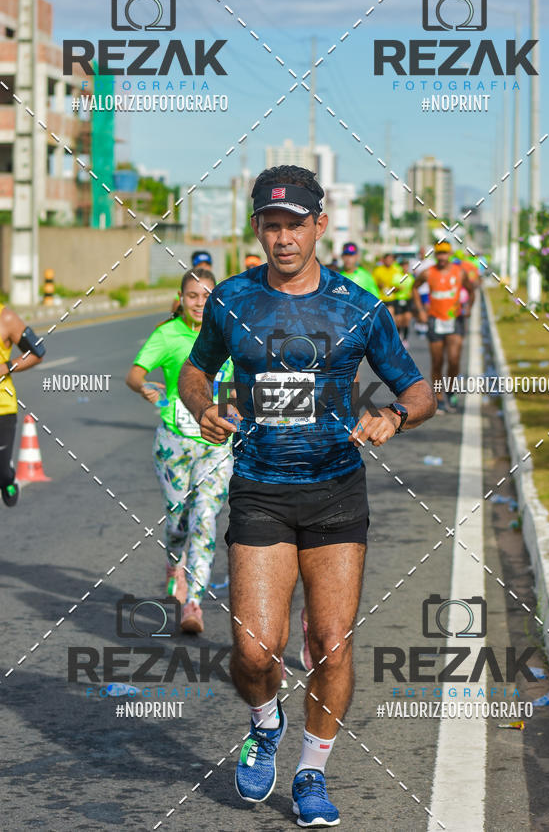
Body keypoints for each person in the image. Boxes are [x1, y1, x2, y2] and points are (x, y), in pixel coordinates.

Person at [178, 165, 436, 826]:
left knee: (330, 643)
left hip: (336, 493)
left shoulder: (358, 306)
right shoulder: (233, 300)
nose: (284, 236)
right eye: (272, 224)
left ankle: (312, 772)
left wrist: (392, 416)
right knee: (254, 651)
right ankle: (265, 722)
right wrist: (203, 405)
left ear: (319, 225)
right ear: (258, 227)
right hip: (260, 489)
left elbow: (417, 388)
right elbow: (193, 370)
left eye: (296, 223)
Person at [126, 269, 234, 634]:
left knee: (205, 522)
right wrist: (147, 391)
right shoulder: (167, 334)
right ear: (181, 298)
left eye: (207, 296)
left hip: (217, 446)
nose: (200, 303)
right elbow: (135, 375)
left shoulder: (230, 336)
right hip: (174, 442)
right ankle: (175, 564)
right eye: (193, 296)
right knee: (178, 522)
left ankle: (193, 605)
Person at [412, 241, 476, 413]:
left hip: (455, 319)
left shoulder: (459, 272)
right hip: (435, 319)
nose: (442, 257)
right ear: (436, 255)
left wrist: (468, 307)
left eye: (445, 253)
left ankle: (450, 390)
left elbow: (471, 290)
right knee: (437, 361)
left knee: (454, 360)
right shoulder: (428, 273)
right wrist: (420, 311)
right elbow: (415, 288)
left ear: (450, 254)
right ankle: (439, 397)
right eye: (439, 253)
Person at [0, 306, 46, 507]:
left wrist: (7, 366)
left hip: (2, 406)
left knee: (0, 470)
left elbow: (37, 352)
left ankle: (7, 478)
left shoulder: (6, 318)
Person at [372, 253, 406, 337]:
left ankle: (393, 336)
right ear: (383, 260)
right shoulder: (378, 270)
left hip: (392, 298)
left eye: (391, 259)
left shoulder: (396, 270)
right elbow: (372, 284)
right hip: (380, 298)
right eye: (387, 259)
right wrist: (379, 285)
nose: (389, 261)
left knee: (392, 319)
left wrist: (394, 288)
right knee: (381, 320)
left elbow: (401, 285)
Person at [393, 259, 415, 345]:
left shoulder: (411, 277)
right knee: (398, 320)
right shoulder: (397, 276)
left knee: (407, 319)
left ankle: (405, 339)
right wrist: (398, 289)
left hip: (408, 300)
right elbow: (393, 288)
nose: (405, 267)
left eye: (406, 266)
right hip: (398, 299)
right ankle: (399, 336)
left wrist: (411, 293)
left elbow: (414, 289)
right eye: (403, 266)